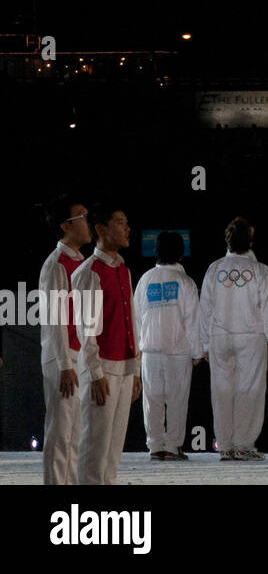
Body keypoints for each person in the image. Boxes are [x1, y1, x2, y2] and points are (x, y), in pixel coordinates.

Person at [199, 217, 268, 461]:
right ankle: (243, 445)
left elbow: (205, 309)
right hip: (250, 337)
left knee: (221, 390)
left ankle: (225, 445)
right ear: (251, 241)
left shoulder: (214, 269)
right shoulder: (260, 270)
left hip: (220, 337)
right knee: (250, 390)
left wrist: (204, 342)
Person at [71, 206, 141, 485]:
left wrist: (134, 368)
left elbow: (131, 322)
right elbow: (86, 329)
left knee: (112, 449)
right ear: (101, 229)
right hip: (101, 369)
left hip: (123, 366)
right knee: (94, 447)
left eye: (127, 223)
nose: (127, 228)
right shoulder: (90, 272)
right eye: (120, 223)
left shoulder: (123, 269)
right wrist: (95, 372)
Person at [133, 230, 203, 462]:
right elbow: (192, 320)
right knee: (177, 400)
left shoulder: (146, 279)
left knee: (152, 400)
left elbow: (137, 317)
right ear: (181, 253)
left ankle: (155, 446)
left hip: (150, 349)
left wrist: (137, 349)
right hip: (178, 351)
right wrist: (197, 351)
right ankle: (172, 447)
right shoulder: (186, 282)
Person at [37, 195, 89, 485]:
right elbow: (54, 318)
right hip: (63, 357)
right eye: (81, 217)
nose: (88, 222)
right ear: (65, 226)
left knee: (77, 431)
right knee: (61, 431)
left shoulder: (80, 262)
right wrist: (65, 364)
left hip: (77, 355)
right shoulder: (56, 264)